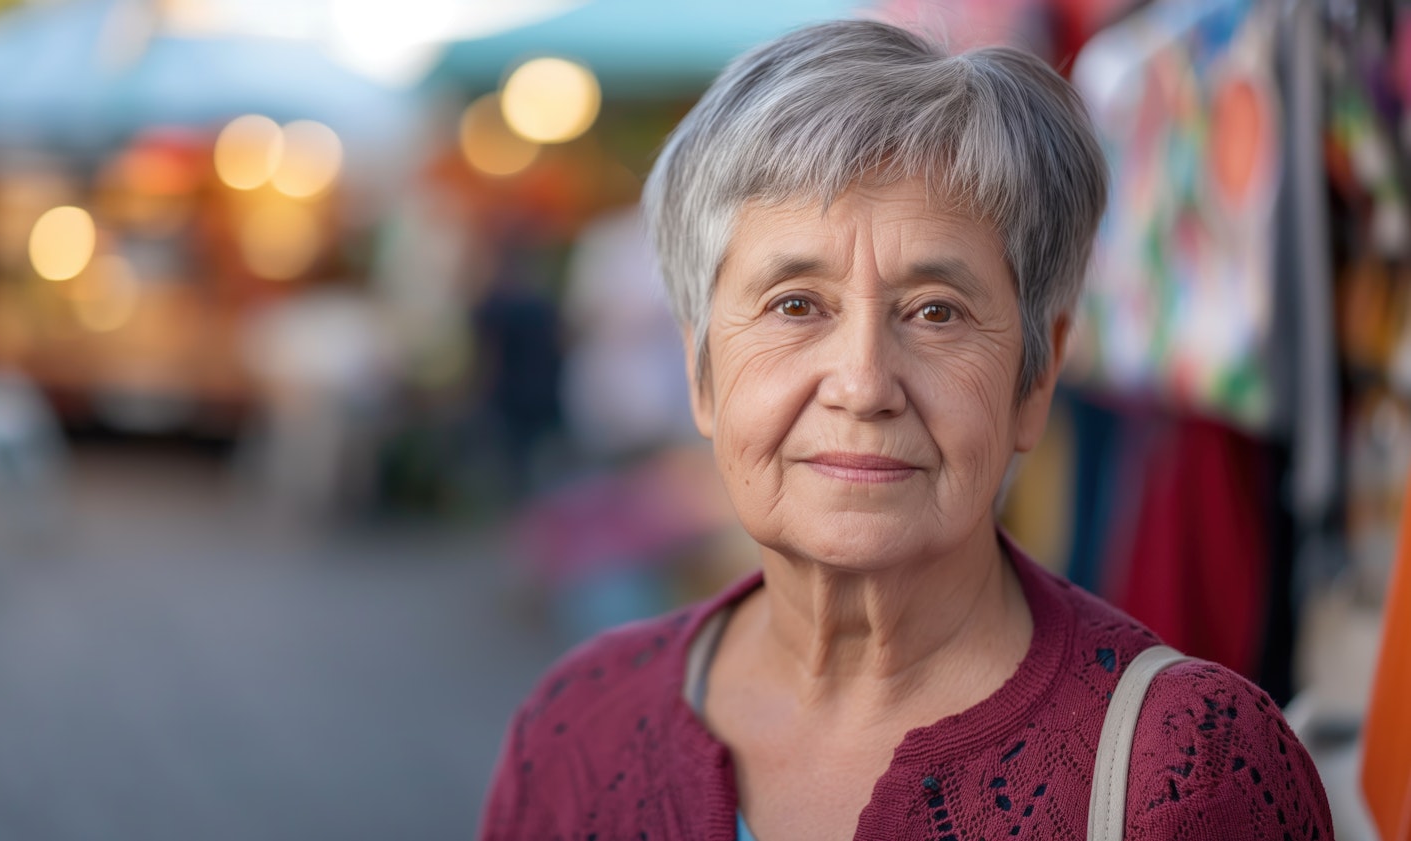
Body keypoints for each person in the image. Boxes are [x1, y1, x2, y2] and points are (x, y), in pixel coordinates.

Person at [480, 20, 1333, 840]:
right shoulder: (574, 729)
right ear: (701, 371)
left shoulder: (1192, 773)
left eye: (936, 311)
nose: (862, 384)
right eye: (795, 305)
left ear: (1036, 375)